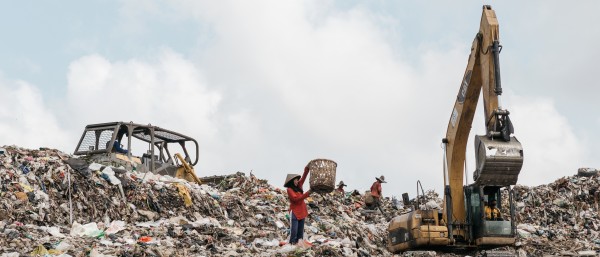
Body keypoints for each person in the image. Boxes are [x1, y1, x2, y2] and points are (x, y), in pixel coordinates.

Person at [283, 166, 312, 245]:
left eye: (297, 180)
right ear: (291, 181)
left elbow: (304, 177)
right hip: (295, 213)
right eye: (295, 180)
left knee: (300, 233)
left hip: (302, 211)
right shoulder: (289, 189)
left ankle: (298, 246)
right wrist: (307, 193)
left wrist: (307, 169)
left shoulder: (299, 186)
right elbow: (296, 199)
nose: (297, 181)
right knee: (294, 231)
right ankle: (292, 244)